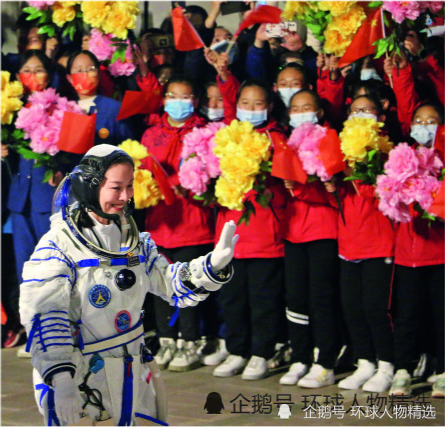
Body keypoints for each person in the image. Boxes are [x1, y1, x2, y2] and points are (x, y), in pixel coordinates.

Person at [19, 144, 238, 425]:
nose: (125, 196)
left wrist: (211, 266)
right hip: (81, 375)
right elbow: (45, 316)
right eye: (116, 187)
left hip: (131, 369)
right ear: (89, 187)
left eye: (130, 186)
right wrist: (62, 380)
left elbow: (169, 284)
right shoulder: (58, 247)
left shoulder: (133, 242)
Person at [278, 90, 341, 388]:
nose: (301, 112)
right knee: (295, 297)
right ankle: (300, 356)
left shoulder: (329, 138)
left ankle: (325, 361)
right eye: (295, 108)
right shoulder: (283, 143)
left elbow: (335, 191)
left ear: (319, 112)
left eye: (308, 107)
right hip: (292, 231)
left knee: (322, 298)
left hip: (323, 230)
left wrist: (302, 188)